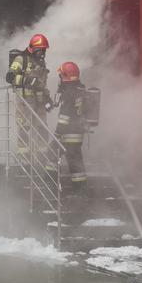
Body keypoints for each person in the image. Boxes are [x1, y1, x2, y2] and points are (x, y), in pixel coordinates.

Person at [5, 34, 54, 155]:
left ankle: (42, 156)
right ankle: (24, 157)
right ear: (33, 49)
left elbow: (42, 84)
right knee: (24, 128)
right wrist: (26, 80)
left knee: (42, 128)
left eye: (44, 51)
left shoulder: (41, 64)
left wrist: (48, 99)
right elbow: (9, 77)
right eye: (40, 51)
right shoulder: (21, 59)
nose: (42, 54)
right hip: (24, 102)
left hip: (40, 102)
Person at [54, 61, 87, 191]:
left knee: (52, 153)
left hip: (67, 133)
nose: (60, 79)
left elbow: (64, 117)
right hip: (78, 132)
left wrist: (57, 133)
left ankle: (48, 182)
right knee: (76, 160)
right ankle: (81, 188)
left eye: (61, 76)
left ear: (65, 76)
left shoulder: (69, 93)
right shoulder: (80, 89)